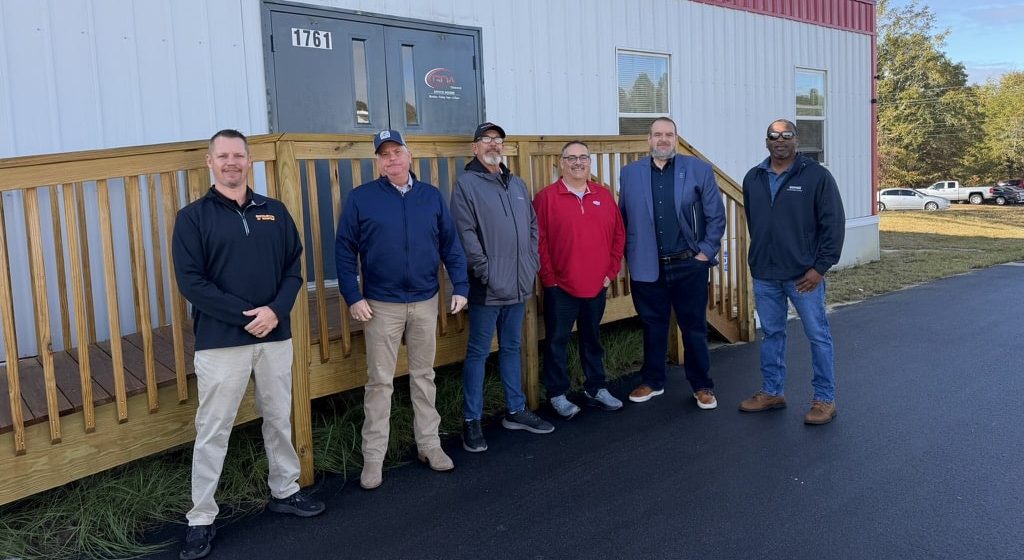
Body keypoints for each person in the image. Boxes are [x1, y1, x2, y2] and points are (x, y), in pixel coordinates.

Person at [172, 129, 324, 560]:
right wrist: (247, 316)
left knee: (278, 416)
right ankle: (201, 517)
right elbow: (192, 283)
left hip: (275, 336)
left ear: (249, 160)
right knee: (213, 429)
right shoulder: (193, 218)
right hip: (221, 343)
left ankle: (285, 490)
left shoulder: (274, 211)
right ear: (210, 162)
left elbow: (293, 268)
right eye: (223, 156)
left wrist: (275, 311)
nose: (232, 162)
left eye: (238, 155)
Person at [335, 129, 469, 490]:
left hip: (425, 300)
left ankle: (429, 445)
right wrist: (353, 295)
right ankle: (374, 458)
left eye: (397, 151)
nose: (391, 158)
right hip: (380, 305)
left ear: (410, 156)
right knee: (379, 383)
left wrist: (461, 284)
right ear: (378, 162)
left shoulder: (430, 197)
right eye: (384, 154)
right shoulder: (362, 199)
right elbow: (344, 250)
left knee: (424, 376)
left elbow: (450, 244)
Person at [450, 121, 554, 452]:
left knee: (512, 347)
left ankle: (516, 410)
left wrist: (533, 264)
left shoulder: (517, 184)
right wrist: (486, 271)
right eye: (487, 140)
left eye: (498, 141)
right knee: (479, 353)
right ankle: (472, 421)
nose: (494, 145)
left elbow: (533, 227)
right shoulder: (466, 185)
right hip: (488, 286)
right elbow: (465, 234)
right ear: (475, 148)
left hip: (520, 283)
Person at [738, 119, 845, 425]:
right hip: (765, 274)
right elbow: (756, 222)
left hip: (803, 277)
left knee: (817, 335)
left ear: (797, 140)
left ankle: (825, 400)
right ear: (766, 141)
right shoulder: (753, 178)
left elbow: (833, 223)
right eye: (774, 135)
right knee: (772, 334)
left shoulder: (816, 176)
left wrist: (820, 267)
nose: (780, 140)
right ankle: (772, 392)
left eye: (787, 135)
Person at [618, 117, 726, 409]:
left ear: (676, 139)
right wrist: (629, 255)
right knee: (653, 325)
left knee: (694, 327)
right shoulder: (629, 174)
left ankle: (702, 386)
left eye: (669, 134)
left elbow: (716, 217)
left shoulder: (698, 170)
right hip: (647, 266)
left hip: (688, 264)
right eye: (657, 135)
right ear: (648, 139)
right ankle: (652, 381)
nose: (663, 140)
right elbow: (623, 219)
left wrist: (704, 253)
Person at [533, 141, 625, 419]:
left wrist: (610, 273)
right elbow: (539, 242)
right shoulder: (547, 197)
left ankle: (595, 387)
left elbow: (618, 236)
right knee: (556, 342)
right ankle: (557, 394)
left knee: (592, 338)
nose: (577, 162)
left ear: (589, 163)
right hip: (560, 287)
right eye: (571, 158)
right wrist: (549, 279)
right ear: (561, 163)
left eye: (583, 157)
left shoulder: (603, 195)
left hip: (596, 285)